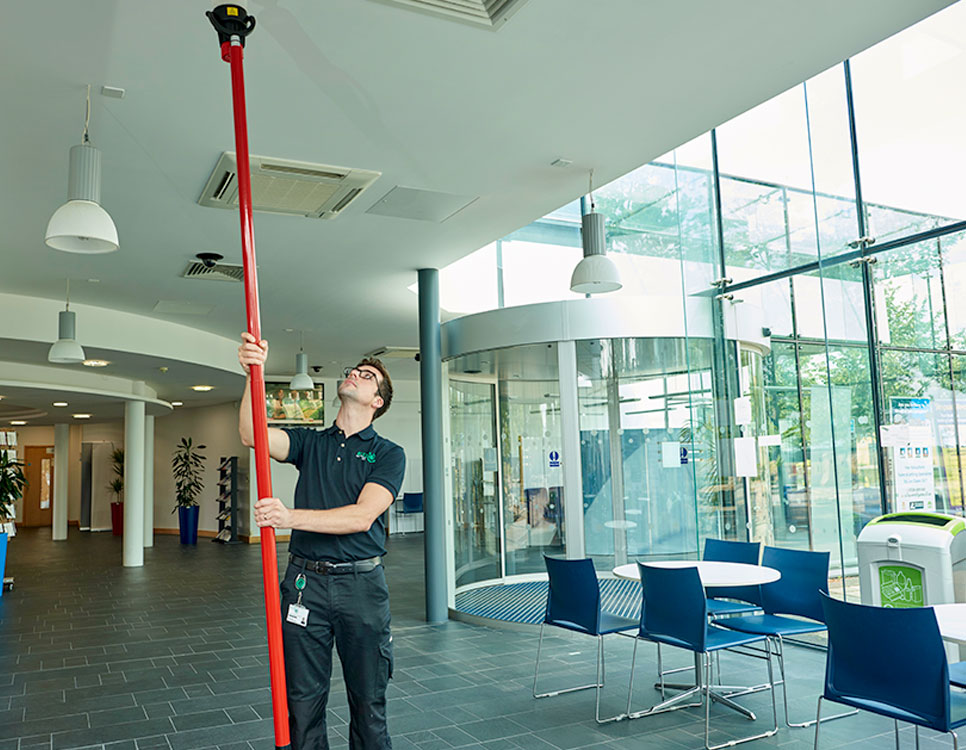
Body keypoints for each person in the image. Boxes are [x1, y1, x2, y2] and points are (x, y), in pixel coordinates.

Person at [237, 332, 405, 750]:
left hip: (361, 589)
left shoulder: (388, 454)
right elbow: (253, 435)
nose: (353, 375)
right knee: (303, 702)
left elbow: (363, 516)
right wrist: (251, 375)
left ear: (377, 401)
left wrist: (289, 517)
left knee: (368, 702)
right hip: (303, 587)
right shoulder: (311, 442)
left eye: (366, 376)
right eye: (353, 371)